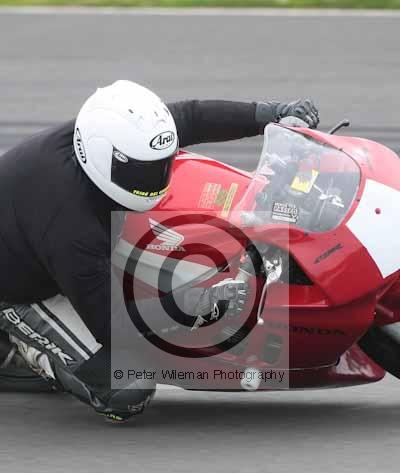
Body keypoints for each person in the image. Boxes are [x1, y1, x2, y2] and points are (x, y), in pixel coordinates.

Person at [0, 80, 319, 421]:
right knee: (128, 385)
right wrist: (195, 304)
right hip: (24, 288)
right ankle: (21, 346)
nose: (156, 178)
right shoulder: (71, 230)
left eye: (161, 164)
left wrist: (272, 114)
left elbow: (192, 116)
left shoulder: (113, 137)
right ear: (106, 158)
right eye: (142, 170)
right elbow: (117, 327)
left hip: (56, 241)